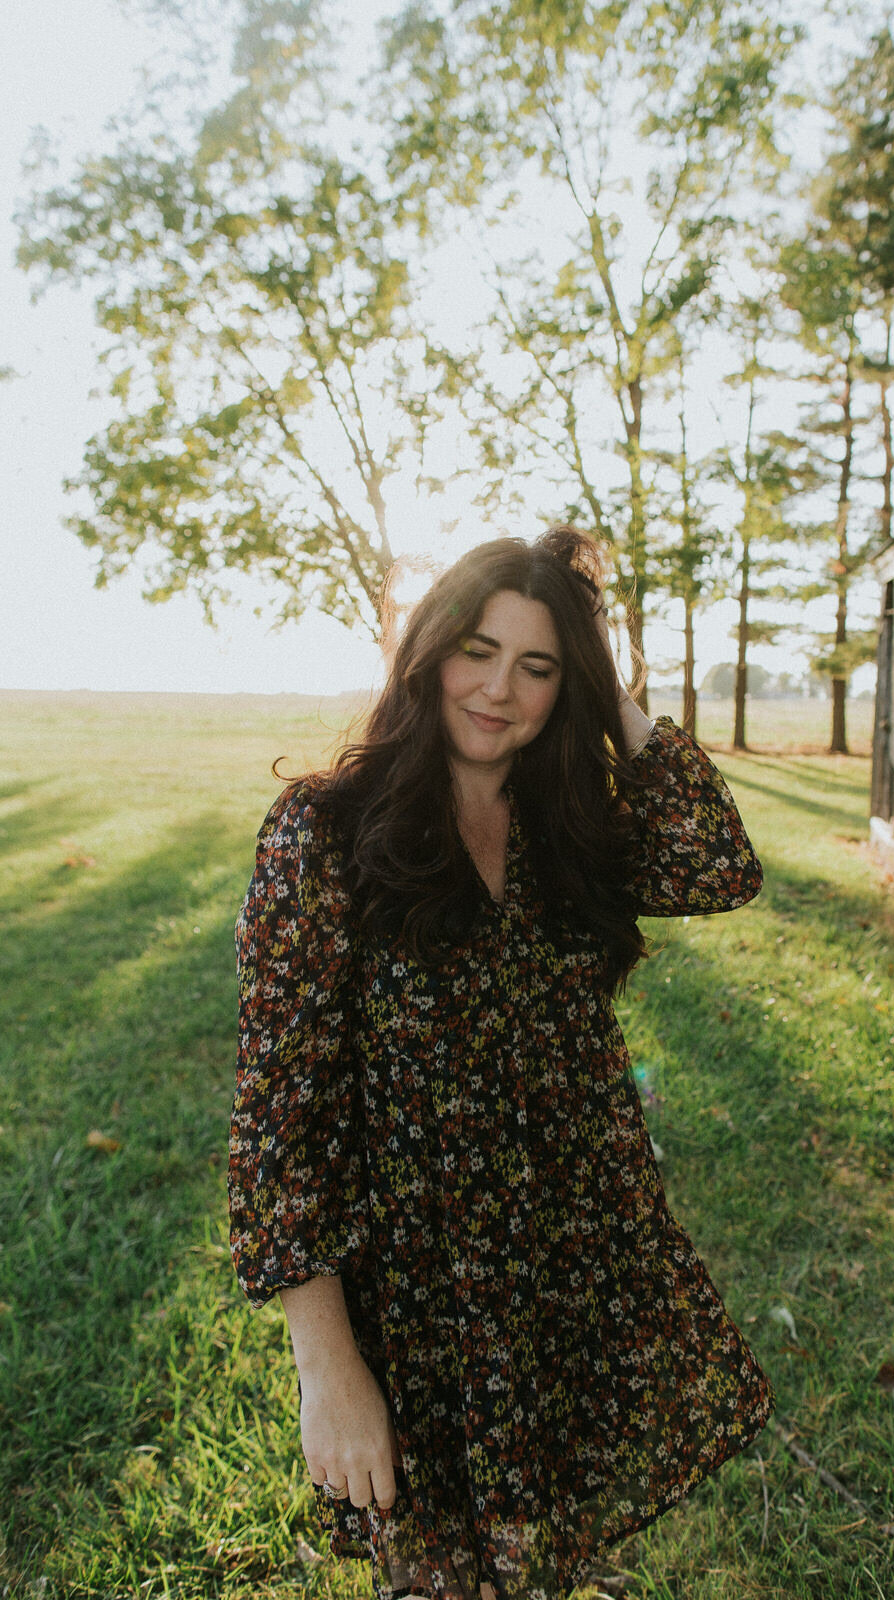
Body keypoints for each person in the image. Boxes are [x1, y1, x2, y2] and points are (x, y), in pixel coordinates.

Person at [228, 526, 773, 1600]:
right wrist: (325, 1365)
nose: (498, 691)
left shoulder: (565, 828)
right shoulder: (322, 834)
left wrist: (607, 687)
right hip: (423, 1300)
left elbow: (721, 863)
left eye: (537, 666)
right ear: (428, 650)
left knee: (538, 1559)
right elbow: (278, 1119)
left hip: (570, 1266)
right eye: (477, 650)